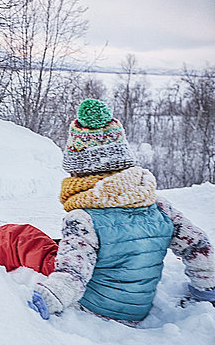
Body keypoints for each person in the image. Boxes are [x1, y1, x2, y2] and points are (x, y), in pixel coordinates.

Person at [20, 98, 215, 324]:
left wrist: (44, 300)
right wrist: (206, 291)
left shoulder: (83, 218)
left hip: (95, 306)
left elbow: (72, 274)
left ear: (79, 169)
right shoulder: (159, 206)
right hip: (138, 308)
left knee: (25, 238)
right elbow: (199, 246)